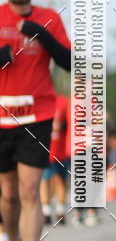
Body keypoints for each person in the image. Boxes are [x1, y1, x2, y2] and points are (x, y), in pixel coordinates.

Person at [0, 0, 71, 241]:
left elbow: (70, 63)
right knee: (9, 194)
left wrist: (43, 37)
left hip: (37, 115)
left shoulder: (48, 18)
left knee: (30, 191)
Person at [40, 93, 69, 225]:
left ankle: (60, 209)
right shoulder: (40, 101)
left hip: (61, 150)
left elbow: (71, 124)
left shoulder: (64, 102)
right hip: (44, 150)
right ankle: (46, 211)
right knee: (45, 180)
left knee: (60, 180)